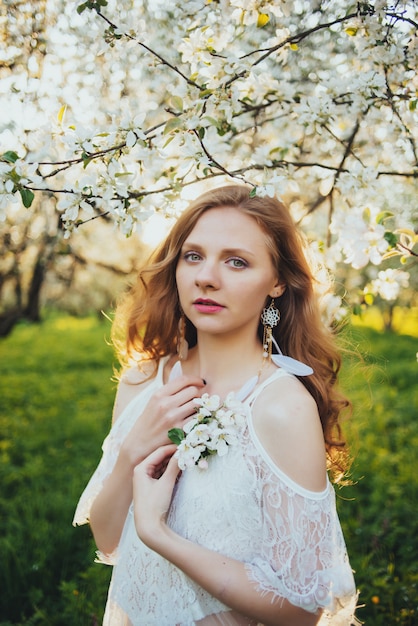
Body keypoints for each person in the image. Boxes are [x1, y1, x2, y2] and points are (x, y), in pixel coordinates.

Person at [73, 184, 359, 625]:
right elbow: (109, 538)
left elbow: (303, 608)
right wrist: (133, 448)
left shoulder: (280, 406)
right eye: (193, 256)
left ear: (278, 283)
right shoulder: (143, 382)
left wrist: (159, 535)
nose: (207, 277)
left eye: (237, 261)